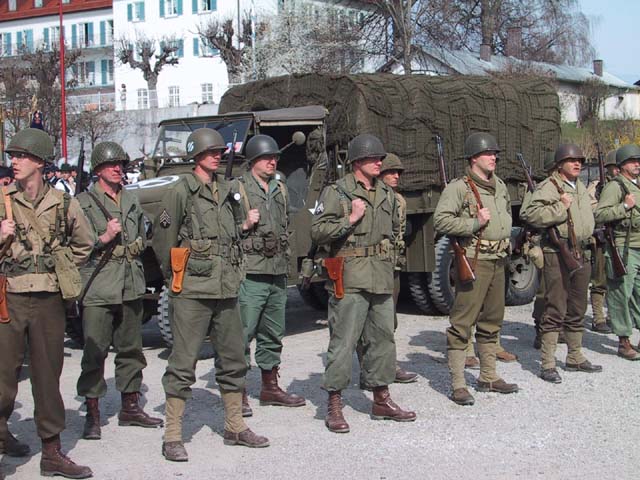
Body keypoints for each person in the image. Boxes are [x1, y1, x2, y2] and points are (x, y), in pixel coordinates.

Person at [152, 128, 269, 462]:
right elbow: (163, 240)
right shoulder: (180, 191)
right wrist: (176, 277)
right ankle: (173, 435)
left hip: (226, 288)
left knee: (233, 359)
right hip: (192, 290)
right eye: (211, 152)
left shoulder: (228, 190)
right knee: (183, 362)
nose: (217, 156)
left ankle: (235, 426)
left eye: (220, 152)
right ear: (196, 155)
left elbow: (237, 231)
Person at [0, 128, 93, 478]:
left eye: (21, 156)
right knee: (3, 376)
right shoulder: (3, 200)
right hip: (9, 296)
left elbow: (84, 243)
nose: (14, 161)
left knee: (47, 376)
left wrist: (61, 266)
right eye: (13, 156)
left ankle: (51, 452)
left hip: (48, 298)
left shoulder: (64, 202)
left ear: (39, 162)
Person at [311, 133, 416, 433]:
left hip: (380, 276)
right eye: (373, 158)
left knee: (383, 339)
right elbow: (317, 231)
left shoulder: (386, 193)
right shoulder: (337, 192)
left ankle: (381, 398)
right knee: (343, 342)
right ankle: (334, 404)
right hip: (350, 277)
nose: (379, 162)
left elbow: (392, 232)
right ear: (357, 161)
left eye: (380, 158)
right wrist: (350, 219)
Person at [76, 141, 163, 440]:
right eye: (111, 164)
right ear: (98, 169)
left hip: (130, 282)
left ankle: (130, 406)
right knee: (94, 351)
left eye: (120, 164)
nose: (117, 169)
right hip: (99, 284)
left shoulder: (131, 199)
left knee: (131, 349)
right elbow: (74, 246)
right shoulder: (83, 202)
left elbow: (144, 229)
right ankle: (93, 413)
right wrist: (103, 238)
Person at [434, 132, 518, 406]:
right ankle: (459, 384)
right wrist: (473, 224)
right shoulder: (459, 188)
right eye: (488, 153)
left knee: (492, 320)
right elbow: (441, 221)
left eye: (495, 153)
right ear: (473, 158)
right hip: (474, 259)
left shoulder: (500, 185)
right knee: (462, 323)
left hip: (499, 259)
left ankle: (488, 376)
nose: (494, 157)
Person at [521, 143, 602, 383]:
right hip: (558, 253)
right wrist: (560, 207)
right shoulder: (549, 187)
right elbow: (530, 214)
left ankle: (574, 356)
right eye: (571, 160)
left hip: (581, 251)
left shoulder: (580, 187)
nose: (577, 164)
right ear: (559, 164)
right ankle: (547, 363)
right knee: (555, 307)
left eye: (580, 161)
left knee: (578, 307)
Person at [237, 135, 305, 417]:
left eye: (275, 157)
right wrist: (244, 224)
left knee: (273, 332)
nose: (272, 161)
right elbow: (223, 229)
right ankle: (237, 392)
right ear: (253, 160)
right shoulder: (238, 189)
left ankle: (270, 387)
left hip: (277, 270)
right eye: (267, 158)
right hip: (250, 272)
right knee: (242, 333)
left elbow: (286, 225)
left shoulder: (281, 188)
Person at [370, 153, 417, 383]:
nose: (396, 176)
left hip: (392, 267)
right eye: (391, 172)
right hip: (371, 267)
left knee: (389, 319)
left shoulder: (399, 201)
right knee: (368, 320)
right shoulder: (371, 198)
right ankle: (372, 366)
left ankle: (388, 364)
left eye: (398, 172)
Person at [594, 144, 640, 360]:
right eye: (632, 161)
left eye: (638, 161)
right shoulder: (615, 186)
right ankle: (623, 341)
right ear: (621, 165)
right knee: (621, 294)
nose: (637, 164)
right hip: (624, 248)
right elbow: (600, 214)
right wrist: (624, 207)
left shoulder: (637, 185)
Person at [585, 150, 618, 334]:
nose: (617, 170)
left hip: (621, 238)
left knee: (619, 280)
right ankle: (598, 318)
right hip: (602, 238)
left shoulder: (628, 185)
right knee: (600, 280)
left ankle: (614, 316)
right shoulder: (596, 186)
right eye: (614, 167)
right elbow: (589, 209)